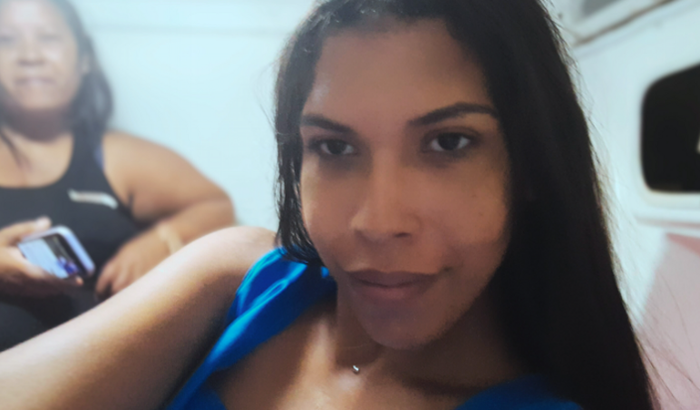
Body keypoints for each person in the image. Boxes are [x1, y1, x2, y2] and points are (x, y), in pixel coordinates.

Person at [0, 0, 658, 409]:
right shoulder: (246, 277)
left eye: (448, 142)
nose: (377, 222)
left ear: (531, 164)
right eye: (335, 148)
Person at [0, 0, 234, 351]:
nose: (29, 55)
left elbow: (216, 206)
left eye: (48, 37)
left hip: (103, 366)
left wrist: (162, 240)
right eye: (6, 40)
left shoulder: (118, 156)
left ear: (84, 58)